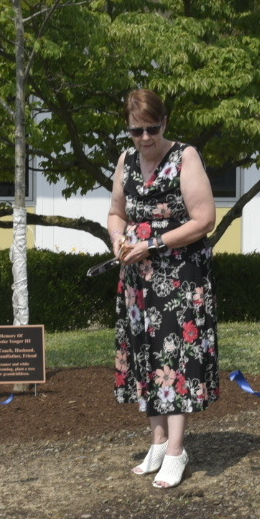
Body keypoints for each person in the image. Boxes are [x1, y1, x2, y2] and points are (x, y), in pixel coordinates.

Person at [109, 89, 219, 489]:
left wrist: (153, 244)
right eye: (136, 131)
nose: (144, 138)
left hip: (179, 275)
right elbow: (116, 212)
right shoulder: (126, 161)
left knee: (175, 358)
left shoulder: (185, 157)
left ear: (165, 123)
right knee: (145, 355)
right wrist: (117, 239)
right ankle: (156, 442)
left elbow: (204, 218)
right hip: (137, 279)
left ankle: (176, 450)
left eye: (151, 129)